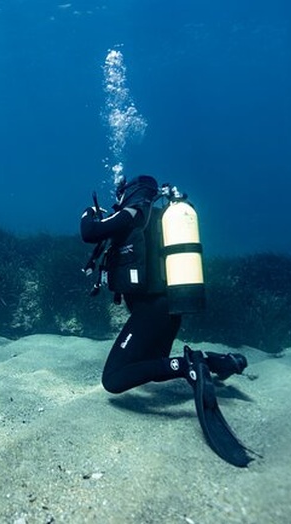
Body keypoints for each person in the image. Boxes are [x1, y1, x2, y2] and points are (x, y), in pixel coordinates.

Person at [80, 174, 252, 466]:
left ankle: (189, 366)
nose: (117, 199)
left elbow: (90, 232)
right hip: (170, 310)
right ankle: (216, 361)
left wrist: (89, 213)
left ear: (130, 193)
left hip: (152, 311)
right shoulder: (159, 217)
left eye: (120, 193)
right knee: (151, 367)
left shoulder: (133, 213)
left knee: (114, 379)